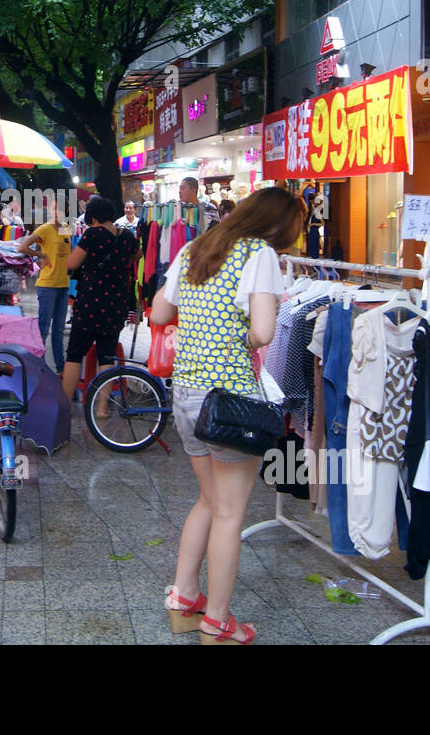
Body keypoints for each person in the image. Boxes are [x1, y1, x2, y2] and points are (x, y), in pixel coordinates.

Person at [150, 187, 302, 644]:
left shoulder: (196, 247)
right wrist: (247, 339)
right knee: (231, 514)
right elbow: (262, 331)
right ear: (277, 226)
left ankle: (184, 599)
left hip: (186, 395)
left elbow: (159, 311)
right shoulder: (259, 255)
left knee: (210, 502)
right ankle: (217, 622)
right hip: (230, 400)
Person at [61, 195, 139, 403]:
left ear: (93, 217)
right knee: (107, 355)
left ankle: (66, 404)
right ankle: (103, 408)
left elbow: (73, 263)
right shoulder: (127, 237)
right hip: (116, 304)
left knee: (75, 354)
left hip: (90, 304)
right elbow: (137, 255)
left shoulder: (92, 234)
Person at [17, 196, 72, 372]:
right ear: (50, 210)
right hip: (47, 285)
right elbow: (22, 247)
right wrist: (42, 255)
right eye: (54, 209)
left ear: (66, 212)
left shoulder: (66, 229)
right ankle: (36, 368)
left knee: (58, 331)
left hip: (64, 285)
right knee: (43, 329)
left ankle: (61, 370)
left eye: (60, 210)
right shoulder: (45, 229)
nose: (56, 213)